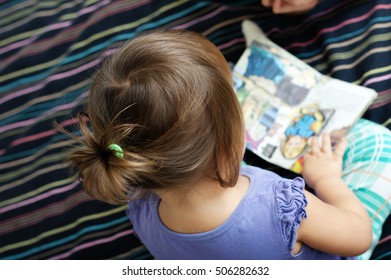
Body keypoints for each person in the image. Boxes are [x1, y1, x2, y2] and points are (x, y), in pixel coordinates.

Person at [62, 28, 391, 260]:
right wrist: (327, 180)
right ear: (227, 147)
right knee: (380, 146)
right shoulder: (279, 209)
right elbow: (357, 238)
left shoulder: (141, 204)